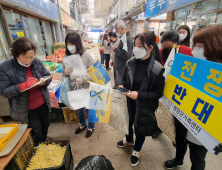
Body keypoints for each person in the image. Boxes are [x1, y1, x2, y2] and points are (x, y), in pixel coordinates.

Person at [164, 24, 222, 170]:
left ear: (214, 46)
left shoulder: (218, 73)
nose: (194, 50)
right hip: (183, 114)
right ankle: (178, 160)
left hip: (204, 125)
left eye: (200, 46)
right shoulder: (193, 64)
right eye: (195, 45)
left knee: (197, 157)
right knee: (180, 140)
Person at [116, 31, 165, 166]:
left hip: (144, 106)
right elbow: (125, 81)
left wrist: (139, 95)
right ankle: (129, 139)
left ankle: (137, 149)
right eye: (135, 45)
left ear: (150, 48)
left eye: (140, 46)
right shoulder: (130, 63)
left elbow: (158, 93)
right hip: (129, 103)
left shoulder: (157, 69)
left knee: (140, 128)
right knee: (128, 123)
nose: (136, 49)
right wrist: (123, 85)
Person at [0, 38, 52, 146]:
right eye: (25, 57)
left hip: (42, 103)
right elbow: (4, 91)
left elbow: (48, 75)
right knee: (35, 129)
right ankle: (38, 146)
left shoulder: (37, 62)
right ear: (16, 55)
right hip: (26, 109)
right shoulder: (6, 68)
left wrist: (44, 81)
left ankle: (44, 139)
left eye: (31, 56)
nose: (29, 60)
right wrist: (23, 86)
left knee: (45, 124)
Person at [63, 32, 95, 138]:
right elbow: (64, 74)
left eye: (72, 44)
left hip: (87, 87)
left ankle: (91, 126)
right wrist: (65, 73)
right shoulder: (66, 57)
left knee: (90, 108)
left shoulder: (86, 56)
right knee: (80, 108)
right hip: (75, 88)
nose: (70, 46)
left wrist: (84, 79)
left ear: (78, 43)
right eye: (68, 44)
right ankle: (82, 125)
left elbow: (95, 73)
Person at [111, 20, 134, 85]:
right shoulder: (123, 38)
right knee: (117, 84)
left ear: (122, 28)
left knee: (119, 87)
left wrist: (115, 49)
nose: (116, 32)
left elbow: (126, 55)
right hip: (119, 67)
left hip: (121, 68)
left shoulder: (127, 39)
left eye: (117, 30)